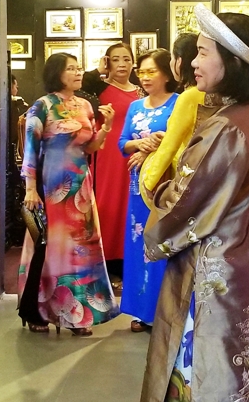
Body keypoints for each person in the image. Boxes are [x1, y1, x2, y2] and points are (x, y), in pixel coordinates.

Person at [140, 8, 249, 402]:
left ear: (232, 61)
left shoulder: (226, 125)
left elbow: (183, 203)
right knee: (238, 368)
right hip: (245, 260)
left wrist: (151, 186)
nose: (193, 63)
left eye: (203, 53)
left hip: (213, 271)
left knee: (202, 372)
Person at [18, 53, 119, 336]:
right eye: (70, 69)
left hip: (80, 185)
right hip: (51, 185)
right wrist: (30, 188)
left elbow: (90, 147)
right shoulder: (42, 105)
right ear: (56, 73)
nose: (77, 73)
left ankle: (78, 314)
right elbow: (30, 148)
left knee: (82, 248)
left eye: (78, 68)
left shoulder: (85, 105)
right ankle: (40, 310)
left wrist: (107, 127)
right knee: (52, 247)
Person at [118, 49, 178, 333]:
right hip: (137, 187)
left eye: (151, 71)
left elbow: (183, 141)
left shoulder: (178, 103)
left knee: (163, 242)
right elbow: (122, 143)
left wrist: (152, 148)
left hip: (165, 186)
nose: (144, 77)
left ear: (167, 73)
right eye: (141, 72)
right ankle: (143, 311)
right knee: (138, 243)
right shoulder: (135, 106)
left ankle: (165, 312)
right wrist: (139, 145)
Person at [82, 42, 144, 284]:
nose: (121, 64)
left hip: (132, 153)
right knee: (107, 202)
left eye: (126, 59)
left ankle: (127, 260)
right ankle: (105, 261)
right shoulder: (98, 88)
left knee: (130, 203)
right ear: (107, 62)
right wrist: (99, 70)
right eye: (115, 59)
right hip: (107, 155)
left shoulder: (140, 91)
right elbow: (84, 84)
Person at [140, 33, 204, 198]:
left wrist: (149, 181)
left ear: (179, 61)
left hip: (187, 175)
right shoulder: (207, 92)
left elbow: (170, 146)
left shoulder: (188, 96)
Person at [6, 75, 30, 248]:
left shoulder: (19, 106)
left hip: (14, 156)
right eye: (15, 85)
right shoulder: (20, 107)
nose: (17, 88)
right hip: (17, 156)